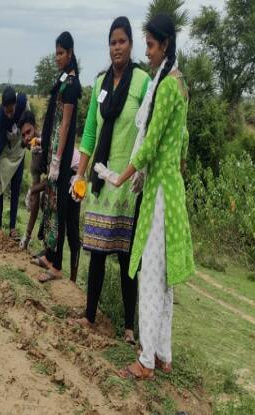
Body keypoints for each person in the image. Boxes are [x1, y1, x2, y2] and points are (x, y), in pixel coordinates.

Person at [94, 13, 193, 379]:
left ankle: (146, 360)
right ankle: (163, 354)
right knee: (164, 279)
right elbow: (181, 143)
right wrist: (173, 166)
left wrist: (122, 176)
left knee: (151, 277)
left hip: (160, 195)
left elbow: (150, 144)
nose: (147, 53)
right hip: (172, 189)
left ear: (164, 44)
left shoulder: (165, 87)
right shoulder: (181, 85)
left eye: (150, 46)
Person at [70, 17, 151, 345]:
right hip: (102, 182)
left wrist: (143, 170)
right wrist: (80, 173)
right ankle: (89, 316)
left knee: (127, 256)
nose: (117, 47)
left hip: (129, 185)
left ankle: (129, 328)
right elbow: (90, 132)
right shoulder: (101, 82)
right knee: (99, 252)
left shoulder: (143, 82)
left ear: (131, 45)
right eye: (112, 42)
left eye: (122, 41)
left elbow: (148, 130)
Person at [33, 31, 82, 283]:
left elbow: (64, 126)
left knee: (60, 210)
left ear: (70, 54)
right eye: (56, 53)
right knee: (50, 206)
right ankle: (50, 256)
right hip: (54, 153)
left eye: (61, 53)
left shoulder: (72, 86)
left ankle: (58, 266)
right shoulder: (62, 80)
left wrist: (57, 158)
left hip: (61, 161)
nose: (57, 57)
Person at [0, 87, 29, 238]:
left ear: (16, 105)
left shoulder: (24, 104)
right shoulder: (1, 118)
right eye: (7, 111)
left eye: (12, 111)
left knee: (16, 188)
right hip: (5, 154)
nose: (9, 114)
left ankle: (12, 228)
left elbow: (29, 127)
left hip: (19, 153)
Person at [17, 111, 46, 250]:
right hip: (56, 179)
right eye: (23, 135)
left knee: (49, 200)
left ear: (36, 127)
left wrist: (31, 190)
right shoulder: (34, 160)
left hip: (73, 175)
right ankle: (36, 243)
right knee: (41, 199)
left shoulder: (47, 141)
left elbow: (54, 179)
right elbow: (35, 197)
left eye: (29, 132)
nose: (27, 138)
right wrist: (26, 236)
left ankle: (51, 254)